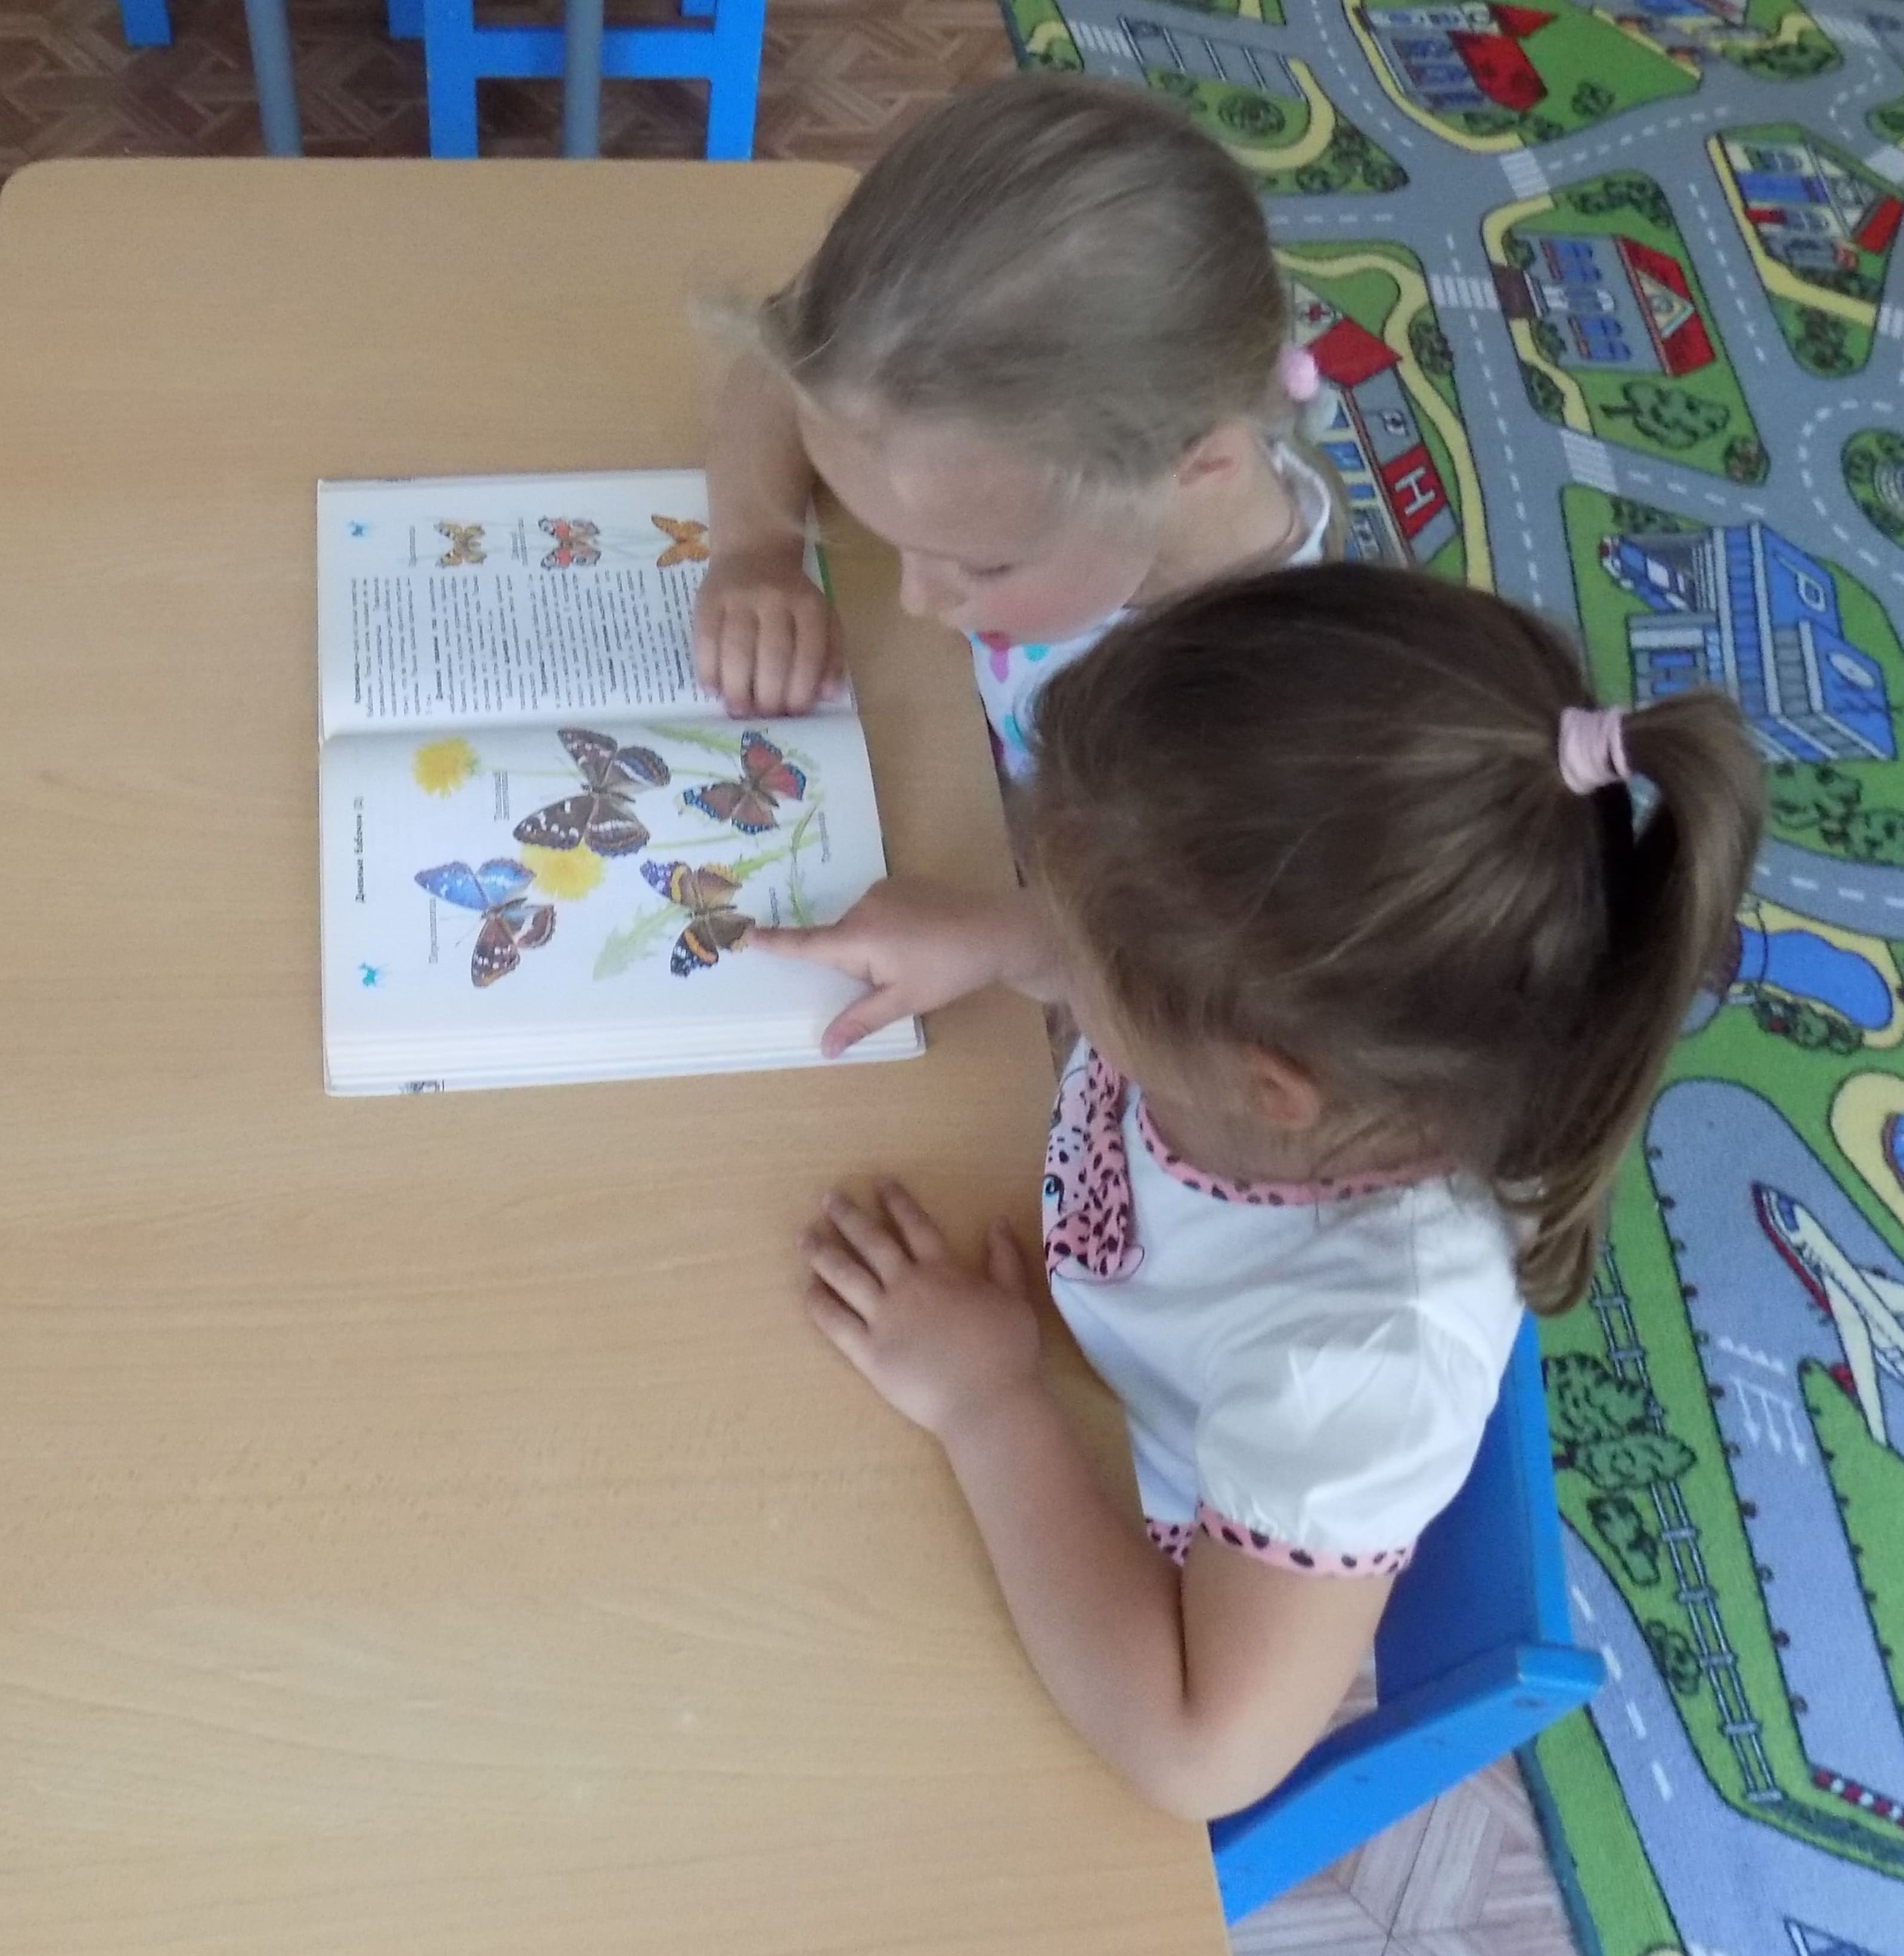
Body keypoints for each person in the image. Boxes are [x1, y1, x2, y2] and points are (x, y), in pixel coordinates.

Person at [763, 567, 1763, 1819]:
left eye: (1085, 947)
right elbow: (1176, 951)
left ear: (1263, 1084)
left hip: (1110, 1518)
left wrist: (988, 1400)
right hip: (1065, 1320)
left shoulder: (1362, 1366)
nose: (1059, 938)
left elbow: (1197, 1750)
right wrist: (1002, 935)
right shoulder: (1322, 1040)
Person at [691, 72, 1347, 777]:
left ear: (1198, 465)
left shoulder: (1239, 724)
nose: (917, 600)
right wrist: (755, 551)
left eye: (983, 565)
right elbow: (777, 375)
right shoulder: (1073, 449)